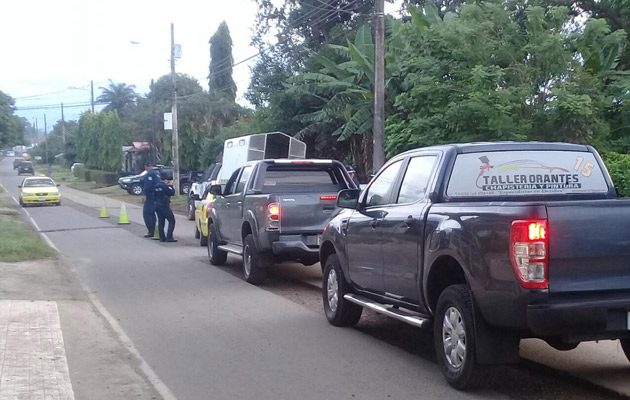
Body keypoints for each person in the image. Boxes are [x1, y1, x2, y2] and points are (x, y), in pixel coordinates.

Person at [154, 172, 177, 242]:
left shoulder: (156, 186)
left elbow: (154, 195)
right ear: (166, 179)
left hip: (157, 205)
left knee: (161, 221)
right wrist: (171, 186)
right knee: (172, 220)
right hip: (164, 205)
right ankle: (169, 237)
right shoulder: (165, 186)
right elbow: (172, 193)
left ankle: (162, 237)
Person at [141, 161, 159, 238]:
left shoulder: (149, 175)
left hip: (150, 196)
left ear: (146, 167)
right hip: (157, 196)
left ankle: (151, 231)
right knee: (152, 214)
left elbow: (148, 186)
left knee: (146, 213)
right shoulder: (156, 174)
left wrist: (144, 195)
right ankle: (153, 230)